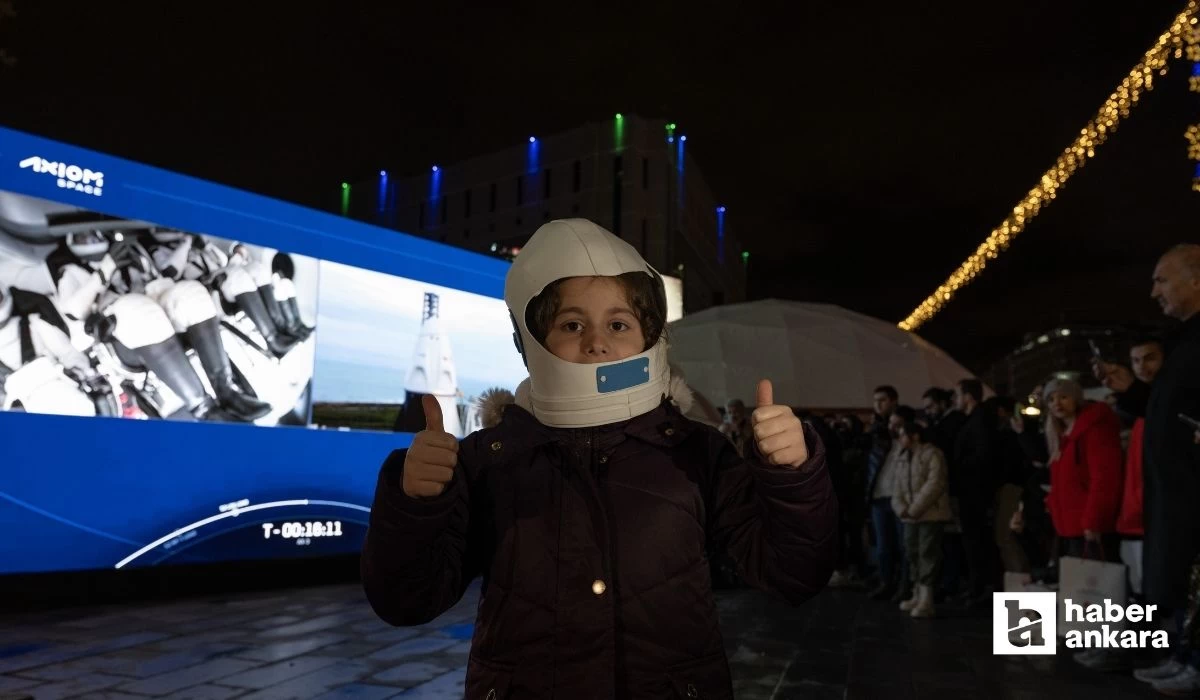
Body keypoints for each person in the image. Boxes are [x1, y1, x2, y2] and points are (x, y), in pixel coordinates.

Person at [360, 219, 838, 698]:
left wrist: (792, 477)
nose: (596, 342)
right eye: (571, 324)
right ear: (529, 341)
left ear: (650, 334)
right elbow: (406, 600)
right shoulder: (489, 459)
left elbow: (793, 574)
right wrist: (415, 504)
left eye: (618, 323)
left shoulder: (698, 452)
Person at [1095, 244, 1200, 694]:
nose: (1153, 290)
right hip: (1172, 487)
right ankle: (1181, 653)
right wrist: (1133, 393)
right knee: (1175, 574)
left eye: (1162, 279)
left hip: (1193, 485)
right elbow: (1169, 413)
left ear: (1195, 279)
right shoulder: (1182, 341)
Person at [891, 420, 951, 618]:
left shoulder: (932, 454)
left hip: (930, 514)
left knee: (927, 552)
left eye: (902, 435)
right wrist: (901, 508)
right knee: (912, 552)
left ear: (914, 435)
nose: (899, 439)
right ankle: (917, 592)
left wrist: (915, 507)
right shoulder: (901, 457)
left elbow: (935, 483)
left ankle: (927, 597)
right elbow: (897, 485)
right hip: (909, 515)